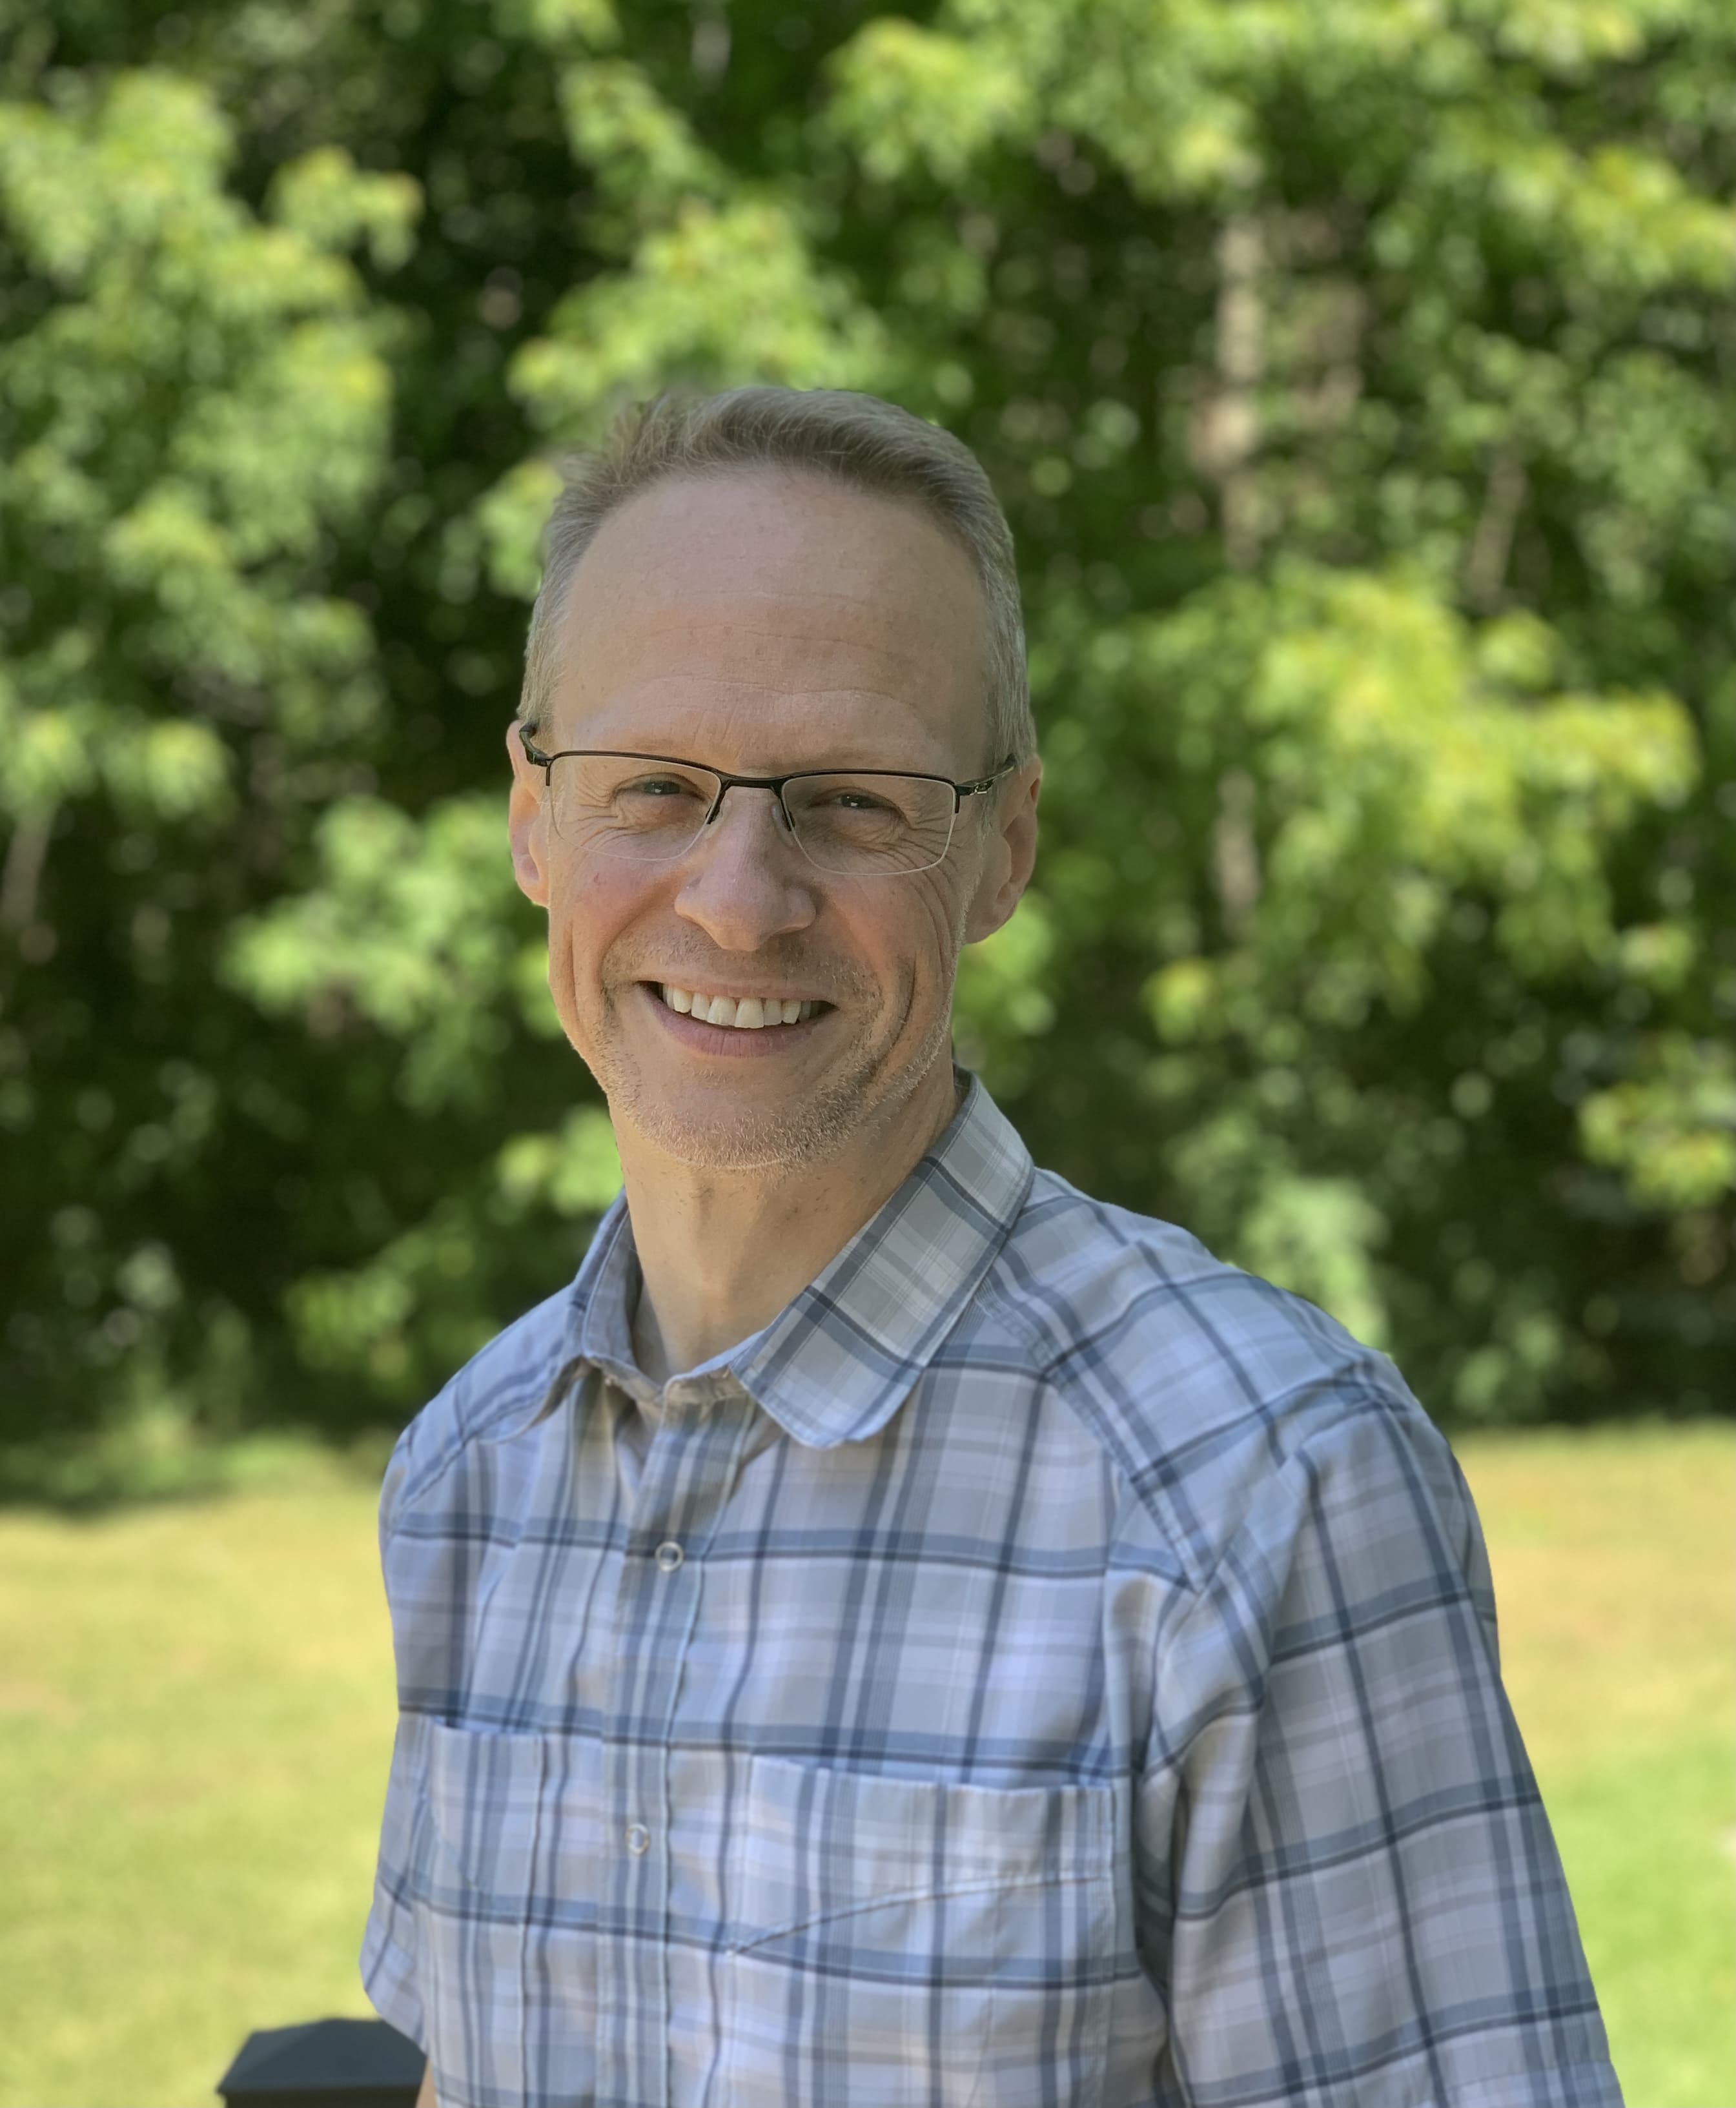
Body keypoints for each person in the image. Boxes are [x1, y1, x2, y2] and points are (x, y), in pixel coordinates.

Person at [361, 386, 1620, 2108]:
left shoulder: (1258, 1487)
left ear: (1002, 846)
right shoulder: (470, 1474)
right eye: (653, 787)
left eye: (852, 803)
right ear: (531, 818)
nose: (737, 898)